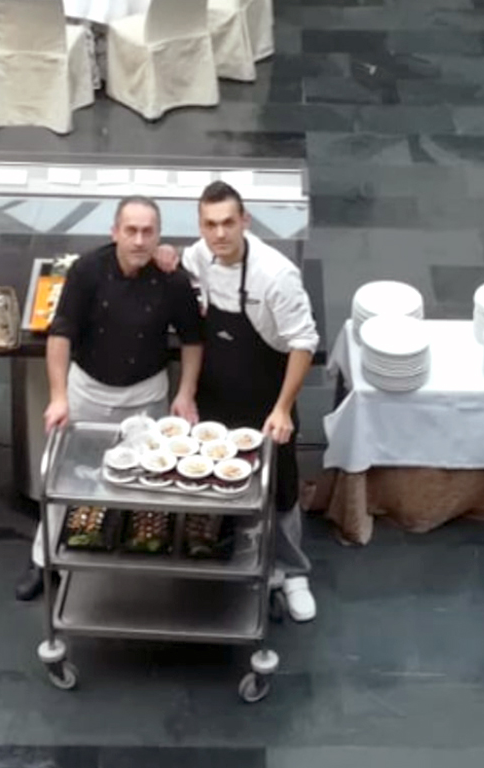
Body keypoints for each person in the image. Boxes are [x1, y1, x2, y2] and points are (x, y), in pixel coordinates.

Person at [15, 196, 204, 600]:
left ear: (159, 236)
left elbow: (193, 339)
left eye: (147, 232)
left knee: (146, 478)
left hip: (146, 396)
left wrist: (185, 394)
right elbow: (60, 334)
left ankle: (135, 557)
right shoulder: (87, 271)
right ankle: (42, 561)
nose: (139, 240)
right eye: (131, 230)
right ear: (114, 232)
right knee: (66, 477)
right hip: (88, 391)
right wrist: (58, 396)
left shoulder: (172, 280)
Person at [158, 181, 318, 622]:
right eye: (210, 224)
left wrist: (283, 408)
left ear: (245, 221)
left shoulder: (276, 274)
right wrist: (166, 253)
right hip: (216, 392)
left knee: (280, 485)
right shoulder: (200, 256)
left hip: (266, 392)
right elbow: (178, 260)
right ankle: (232, 557)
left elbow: (303, 343)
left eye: (229, 222)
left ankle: (292, 570)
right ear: (201, 226)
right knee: (220, 475)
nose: (220, 234)